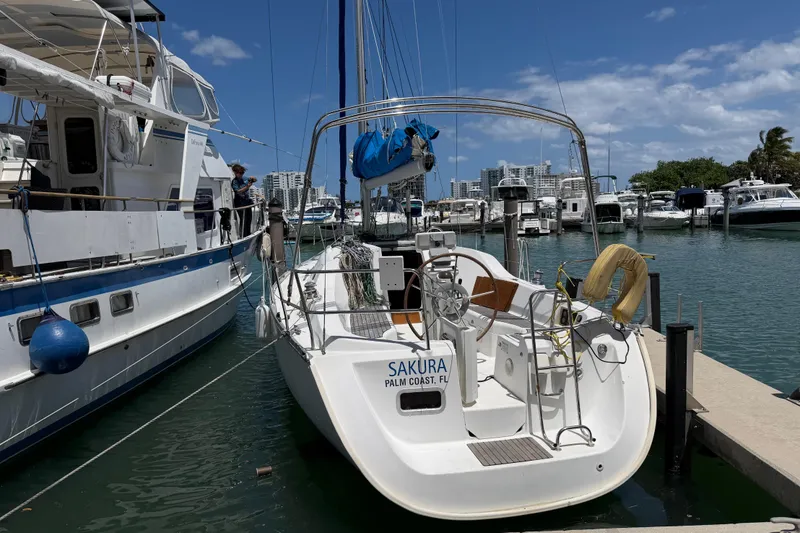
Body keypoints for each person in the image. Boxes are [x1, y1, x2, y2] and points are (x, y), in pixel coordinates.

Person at [231, 164, 255, 237]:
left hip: (246, 201)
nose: (241, 174)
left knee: (249, 218)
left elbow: (254, 179)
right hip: (240, 202)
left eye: (242, 173)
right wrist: (247, 186)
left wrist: (252, 179)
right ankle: (243, 235)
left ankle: (248, 233)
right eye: (240, 173)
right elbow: (238, 191)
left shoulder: (243, 178)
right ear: (235, 172)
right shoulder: (234, 181)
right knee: (243, 219)